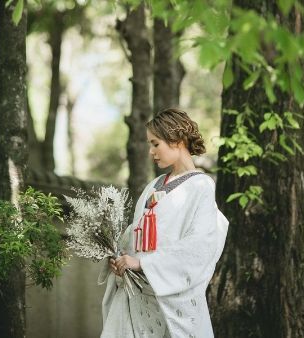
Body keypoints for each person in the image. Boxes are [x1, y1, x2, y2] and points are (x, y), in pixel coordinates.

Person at [98, 108, 229, 338]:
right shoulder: (154, 184)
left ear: (176, 140)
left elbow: (199, 246)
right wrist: (120, 259)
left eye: (155, 144)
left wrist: (144, 264)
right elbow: (135, 236)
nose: (151, 152)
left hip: (170, 299)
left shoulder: (201, 186)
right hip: (138, 297)